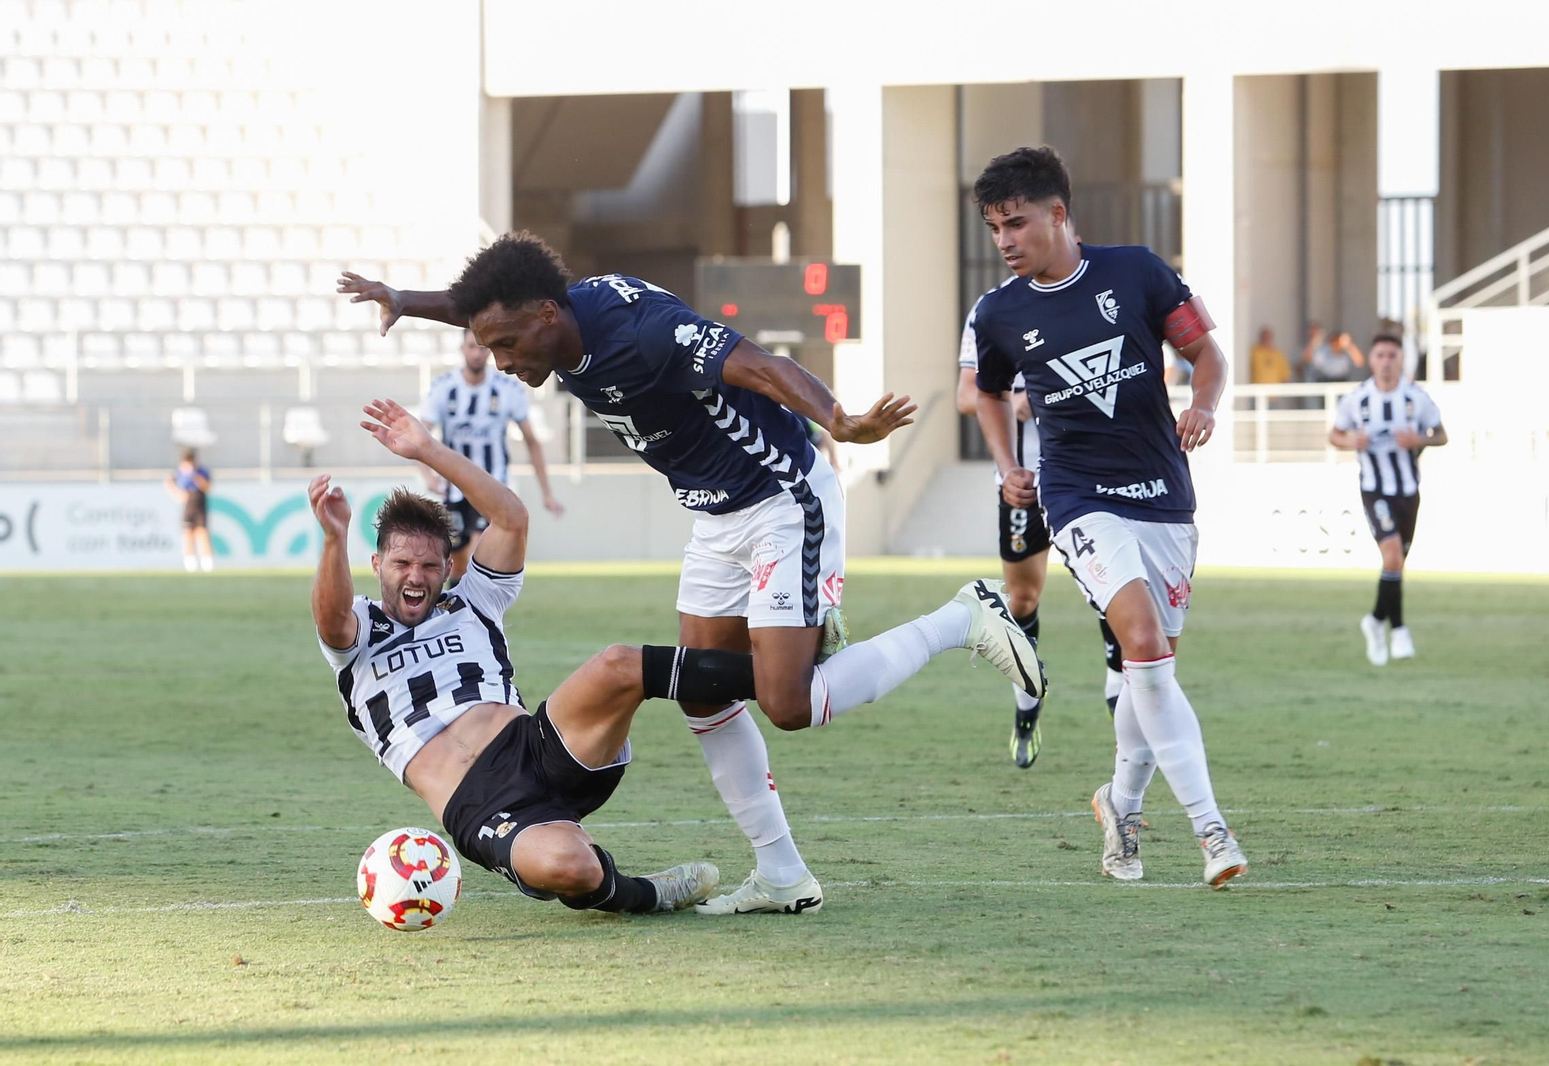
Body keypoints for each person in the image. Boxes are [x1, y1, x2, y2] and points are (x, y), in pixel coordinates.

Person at [337, 237, 1046, 914]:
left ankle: (962, 617)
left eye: (507, 346)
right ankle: (782, 874)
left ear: (547, 317)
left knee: (789, 704)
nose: (500, 361)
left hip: (779, 498)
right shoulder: (541, 313)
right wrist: (403, 298)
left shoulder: (640, 332)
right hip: (713, 516)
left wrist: (839, 418)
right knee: (700, 694)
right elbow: (483, 305)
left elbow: (760, 364)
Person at [311, 397, 787, 915]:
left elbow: (511, 519)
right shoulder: (359, 631)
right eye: (401, 563)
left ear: (448, 567)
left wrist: (427, 448)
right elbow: (331, 620)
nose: (415, 576)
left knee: (617, 664)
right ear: (378, 564)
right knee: (571, 868)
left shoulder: (474, 601)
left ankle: (785, 678)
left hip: (538, 745)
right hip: (479, 803)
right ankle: (647, 892)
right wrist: (334, 538)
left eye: (429, 565)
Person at [967, 146, 1247, 888]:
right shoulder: (998, 312)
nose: (1003, 240)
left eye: (1015, 223)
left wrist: (1204, 405)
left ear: (1058, 213)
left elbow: (1209, 355)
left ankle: (1117, 804)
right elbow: (984, 392)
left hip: (1164, 495)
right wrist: (1007, 466)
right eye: (994, 228)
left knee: (1149, 671)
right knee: (1144, 646)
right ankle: (1211, 830)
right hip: (1077, 496)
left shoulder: (1139, 272)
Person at [957, 297, 1125, 768]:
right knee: (1023, 600)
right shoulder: (992, 311)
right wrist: (1018, 401)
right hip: (1024, 484)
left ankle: (1125, 728)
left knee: (1114, 590)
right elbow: (967, 395)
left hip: (1093, 482)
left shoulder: (1097, 297)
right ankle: (1026, 709)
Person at [1328, 333, 1448, 666]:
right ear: (1371, 359)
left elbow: (1441, 434)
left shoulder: (1415, 398)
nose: (1386, 361)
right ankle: (1399, 630)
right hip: (1375, 488)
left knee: (1395, 564)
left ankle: (1375, 621)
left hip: (1409, 491)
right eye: (1380, 354)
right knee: (1393, 555)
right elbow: (1334, 435)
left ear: (1401, 360)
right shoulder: (1358, 399)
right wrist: (1352, 439)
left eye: (1392, 355)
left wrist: (1419, 438)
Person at [420, 328, 564, 585]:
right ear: (462, 349)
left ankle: (478, 615)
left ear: (489, 351)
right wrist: (428, 476)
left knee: (480, 546)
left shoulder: (507, 389)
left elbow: (532, 440)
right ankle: (460, 610)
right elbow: (421, 436)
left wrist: (547, 492)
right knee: (458, 561)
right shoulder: (444, 388)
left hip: (493, 484)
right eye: (471, 347)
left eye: (482, 348)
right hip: (454, 488)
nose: (477, 353)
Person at [164, 449, 213, 573]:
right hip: (188, 506)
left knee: (202, 533)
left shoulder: (202, 472)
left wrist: (195, 476)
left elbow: (207, 487)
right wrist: (177, 494)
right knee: (188, 533)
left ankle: (206, 562)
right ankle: (189, 562)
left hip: (200, 504)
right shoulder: (180, 473)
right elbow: (169, 483)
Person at [1301, 323, 1366, 383]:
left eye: (1338, 341)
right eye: (1333, 341)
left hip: (1342, 382)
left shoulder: (1346, 352)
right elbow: (1307, 359)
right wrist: (1314, 341)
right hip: (1325, 382)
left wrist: (1350, 345)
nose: (1335, 344)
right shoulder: (1323, 352)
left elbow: (1360, 362)